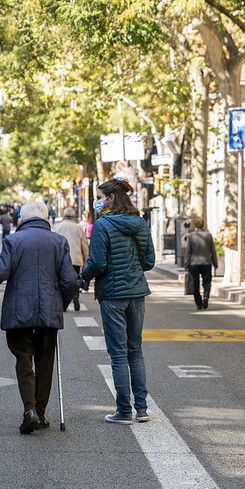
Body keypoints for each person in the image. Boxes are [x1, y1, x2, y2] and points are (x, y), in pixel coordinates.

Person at [0, 201, 78, 434]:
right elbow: (70, 281)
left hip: (19, 309)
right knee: (45, 361)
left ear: (22, 219)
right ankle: (41, 415)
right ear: (46, 217)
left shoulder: (13, 240)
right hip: (48, 311)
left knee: (24, 358)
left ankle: (29, 410)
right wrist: (59, 304)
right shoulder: (59, 242)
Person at [81, 179, 155, 425]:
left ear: (110, 198)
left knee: (119, 354)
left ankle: (124, 411)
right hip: (136, 293)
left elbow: (98, 263)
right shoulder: (140, 223)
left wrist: (83, 276)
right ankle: (142, 409)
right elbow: (149, 261)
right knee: (136, 351)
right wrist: (132, 270)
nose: (98, 200)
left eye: (100, 196)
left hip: (113, 295)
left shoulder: (103, 225)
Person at [53, 207, 89, 311]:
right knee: (75, 279)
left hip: (60, 258)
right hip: (75, 258)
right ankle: (75, 294)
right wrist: (86, 258)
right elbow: (84, 245)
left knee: (61, 280)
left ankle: (63, 301)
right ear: (73, 216)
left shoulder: (57, 227)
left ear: (64, 215)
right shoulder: (78, 228)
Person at [184, 216, 218, 310]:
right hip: (206, 262)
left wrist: (186, 264)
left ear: (195, 225)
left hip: (194, 263)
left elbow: (188, 252)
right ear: (203, 224)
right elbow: (213, 250)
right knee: (207, 281)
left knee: (195, 283)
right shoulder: (208, 235)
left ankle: (198, 303)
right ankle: (206, 296)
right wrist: (215, 263)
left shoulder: (191, 236)